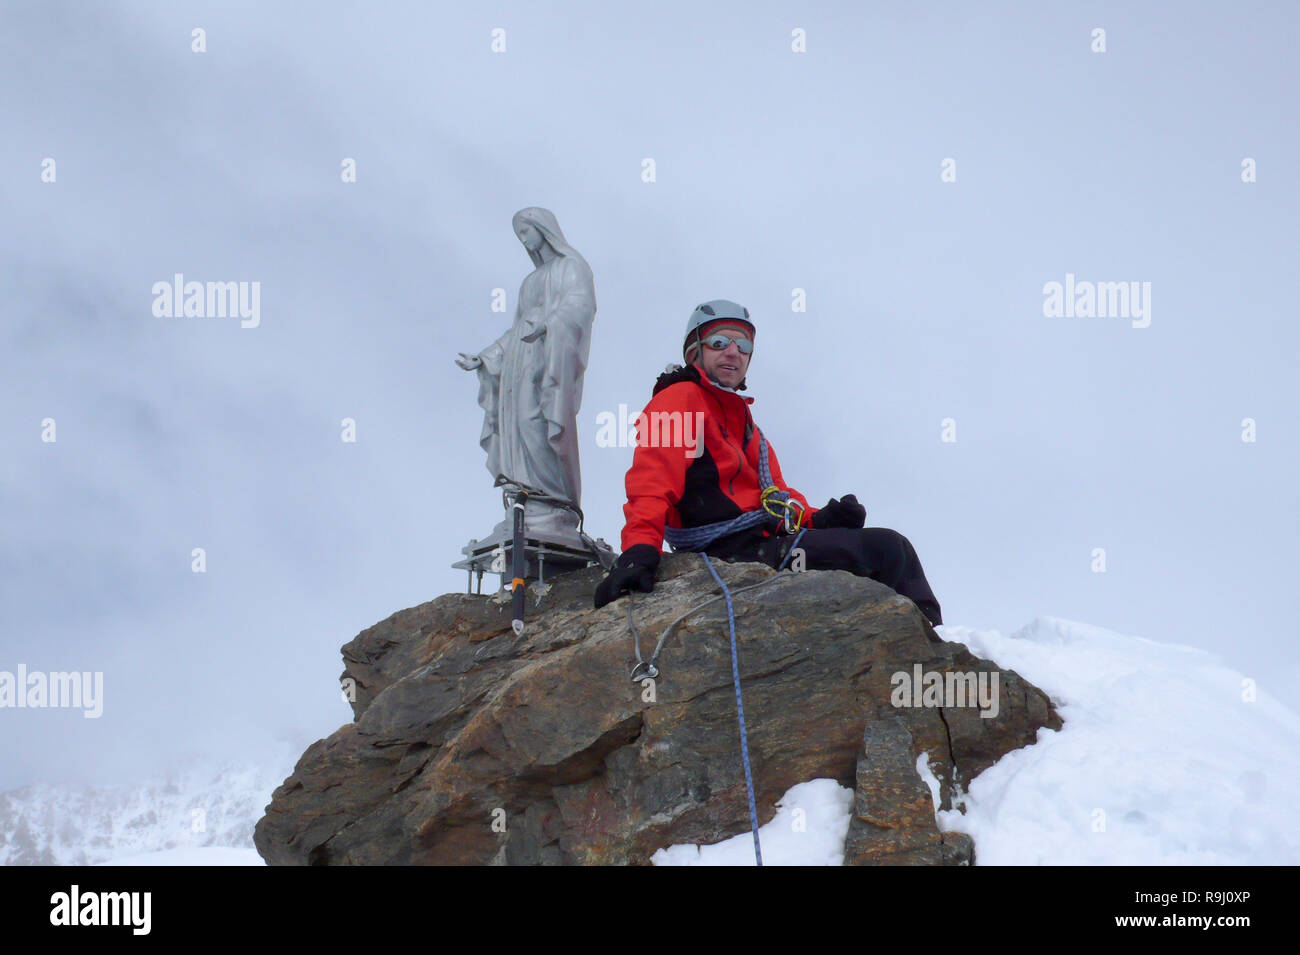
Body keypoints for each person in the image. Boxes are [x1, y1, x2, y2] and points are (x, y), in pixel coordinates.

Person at [593, 299, 943, 627]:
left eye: (743, 346)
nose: (733, 352)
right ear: (694, 352)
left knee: (886, 548)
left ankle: (920, 642)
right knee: (887, 550)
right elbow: (651, 483)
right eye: (719, 342)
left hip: (761, 541)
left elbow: (775, 496)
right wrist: (639, 551)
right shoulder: (676, 401)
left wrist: (818, 519)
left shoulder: (747, 426)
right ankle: (929, 648)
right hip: (729, 551)